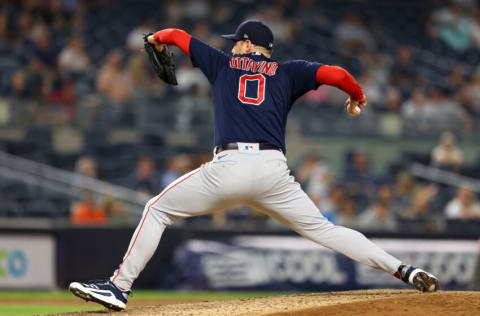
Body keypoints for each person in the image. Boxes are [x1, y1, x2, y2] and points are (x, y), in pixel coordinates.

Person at [69, 20, 439, 311]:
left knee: (157, 209)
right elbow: (339, 76)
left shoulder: (223, 62)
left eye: (237, 40)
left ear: (247, 44)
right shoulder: (289, 70)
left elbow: (177, 35)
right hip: (273, 173)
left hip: (229, 167)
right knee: (326, 231)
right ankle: (403, 269)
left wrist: (154, 39)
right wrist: (356, 98)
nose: (232, 45)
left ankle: (119, 287)